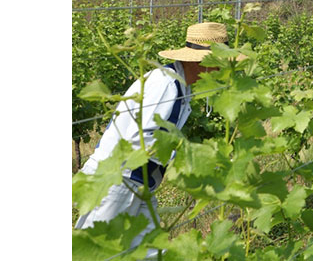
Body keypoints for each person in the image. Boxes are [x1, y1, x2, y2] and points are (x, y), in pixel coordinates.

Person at [74, 22, 241, 254]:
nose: (222, 70)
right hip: (117, 181)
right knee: (95, 253)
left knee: (150, 253)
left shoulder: (182, 87)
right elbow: (140, 139)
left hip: (139, 183)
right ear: (200, 62)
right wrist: (186, 161)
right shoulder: (166, 85)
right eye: (219, 63)